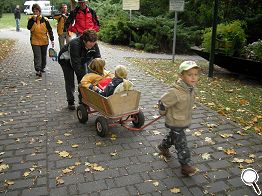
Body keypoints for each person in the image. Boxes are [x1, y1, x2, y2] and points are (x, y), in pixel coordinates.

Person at [157, 61, 200, 176]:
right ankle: (185, 165)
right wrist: (162, 112)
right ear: (181, 76)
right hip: (175, 121)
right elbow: (162, 102)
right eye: (189, 74)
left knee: (173, 136)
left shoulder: (190, 88)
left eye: (195, 74)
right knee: (182, 144)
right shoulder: (175, 92)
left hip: (183, 120)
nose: (193, 77)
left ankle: (163, 146)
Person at [58, 29, 101, 110]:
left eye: (94, 42)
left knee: (84, 79)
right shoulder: (75, 44)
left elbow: (97, 59)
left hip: (81, 59)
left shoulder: (93, 43)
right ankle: (70, 101)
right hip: (66, 61)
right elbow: (76, 65)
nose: (92, 44)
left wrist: (100, 72)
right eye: (90, 42)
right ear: (84, 40)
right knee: (71, 81)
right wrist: (85, 79)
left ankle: (82, 101)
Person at [27, 4, 54, 77]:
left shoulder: (45, 20)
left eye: (37, 11)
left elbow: (49, 30)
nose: (35, 13)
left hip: (44, 41)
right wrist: (33, 20)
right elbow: (29, 28)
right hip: (34, 41)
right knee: (37, 56)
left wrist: (52, 39)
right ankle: (38, 70)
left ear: (39, 11)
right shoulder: (31, 19)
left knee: (43, 56)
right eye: (34, 11)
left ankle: (42, 67)